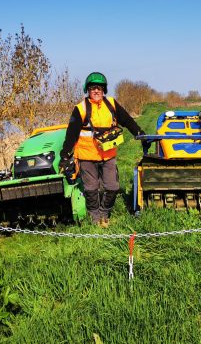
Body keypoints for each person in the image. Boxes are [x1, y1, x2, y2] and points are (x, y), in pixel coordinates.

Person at [59, 72, 148, 228]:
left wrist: (139, 133)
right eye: (93, 88)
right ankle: (95, 218)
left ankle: (104, 213)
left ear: (104, 89)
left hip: (108, 154)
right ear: (88, 90)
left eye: (99, 88)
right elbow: (71, 134)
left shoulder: (111, 104)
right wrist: (65, 156)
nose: (96, 91)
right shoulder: (80, 109)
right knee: (91, 188)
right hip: (87, 156)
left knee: (113, 187)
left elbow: (127, 120)